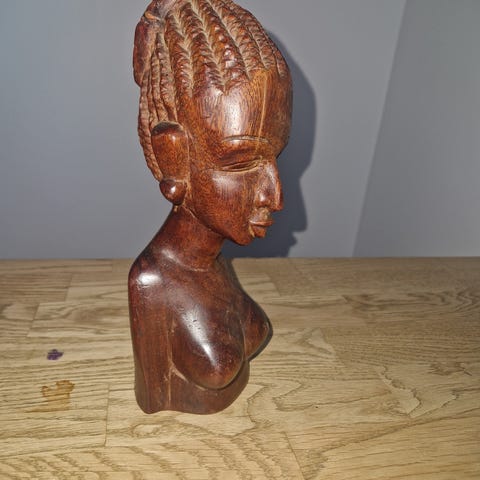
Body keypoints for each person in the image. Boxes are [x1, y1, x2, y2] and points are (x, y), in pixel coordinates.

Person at [129, 0, 292, 413]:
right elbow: (151, 399)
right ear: (173, 156)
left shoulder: (216, 261)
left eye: (277, 157)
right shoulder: (151, 284)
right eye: (241, 163)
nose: (275, 196)